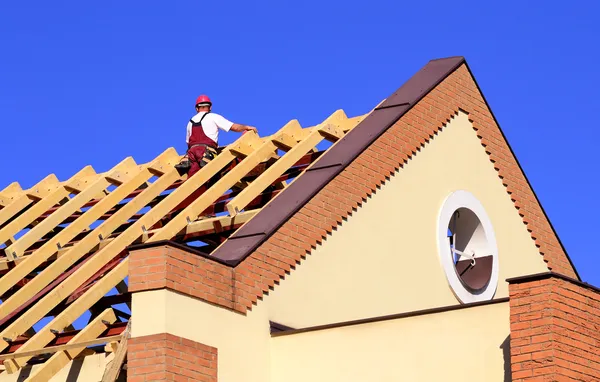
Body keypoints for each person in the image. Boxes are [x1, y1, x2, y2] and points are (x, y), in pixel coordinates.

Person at [178, 95, 257, 177]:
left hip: (191, 155)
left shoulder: (190, 122)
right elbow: (234, 127)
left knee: (194, 182)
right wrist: (246, 127)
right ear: (210, 107)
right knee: (214, 176)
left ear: (197, 108)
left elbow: (188, 143)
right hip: (205, 154)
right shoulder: (213, 117)